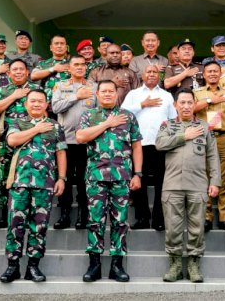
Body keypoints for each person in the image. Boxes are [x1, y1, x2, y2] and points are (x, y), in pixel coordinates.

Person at [76, 80, 143, 283]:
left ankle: (117, 265)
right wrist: (107, 123)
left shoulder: (128, 117)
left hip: (122, 177)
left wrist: (137, 174)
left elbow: (137, 146)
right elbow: (80, 137)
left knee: (120, 222)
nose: (107, 94)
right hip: (96, 177)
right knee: (95, 220)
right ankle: (94, 264)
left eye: (110, 91)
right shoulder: (89, 115)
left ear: (117, 94)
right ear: (97, 93)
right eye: (103, 91)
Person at [0, 89, 67, 283]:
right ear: (26, 104)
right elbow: (12, 140)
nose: (36, 104)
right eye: (33, 101)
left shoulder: (55, 126)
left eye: (40, 101)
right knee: (15, 224)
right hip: (20, 182)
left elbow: (61, 152)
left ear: (47, 104)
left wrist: (61, 178)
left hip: (45, 184)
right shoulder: (16, 122)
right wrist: (36, 129)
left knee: (39, 226)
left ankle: (33, 267)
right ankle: (12, 267)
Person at [156, 89, 220, 282]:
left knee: (197, 227)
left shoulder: (205, 127)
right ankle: (175, 264)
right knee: (173, 228)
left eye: (189, 102)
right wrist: (185, 135)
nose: (185, 106)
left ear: (195, 104)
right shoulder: (167, 125)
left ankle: (193, 263)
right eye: (181, 103)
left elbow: (213, 156)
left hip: (198, 184)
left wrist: (215, 181)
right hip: (172, 185)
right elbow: (160, 144)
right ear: (175, 105)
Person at [122, 64, 177, 231]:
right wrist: (142, 104)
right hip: (139, 145)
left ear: (159, 76)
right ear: (142, 76)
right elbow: (122, 113)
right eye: (149, 72)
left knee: (162, 183)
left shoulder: (167, 95)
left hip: (161, 145)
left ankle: (159, 219)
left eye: (155, 72)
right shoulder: (133, 94)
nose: (152, 74)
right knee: (139, 182)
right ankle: (142, 218)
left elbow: (173, 120)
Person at [0, 58, 40, 229]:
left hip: (32, 142)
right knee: (5, 179)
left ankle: (29, 216)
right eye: (14, 69)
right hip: (7, 142)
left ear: (27, 72)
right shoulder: (2, 90)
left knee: (30, 178)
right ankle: (5, 214)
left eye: (21, 69)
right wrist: (14, 96)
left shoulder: (36, 89)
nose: (18, 72)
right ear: (9, 73)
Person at [51, 55, 98, 230]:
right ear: (69, 68)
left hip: (87, 141)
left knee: (84, 179)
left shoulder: (94, 87)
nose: (79, 67)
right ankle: (64, 214)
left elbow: (99, 112)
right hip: (65, 140)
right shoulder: (61, 86)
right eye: (75, 65)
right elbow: (55, 108)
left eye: (82, 65)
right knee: (65, 177)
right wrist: (76, 96)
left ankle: (83, 214)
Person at [193, 61, 225, 233]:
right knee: (203, 176)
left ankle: (224, 218)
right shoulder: (197, 93)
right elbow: (190, 110)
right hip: (204, 137)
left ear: (220, 74)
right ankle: (206, 217)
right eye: (209, 71)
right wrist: (209, 100)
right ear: (203, 75)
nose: (212, 74)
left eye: (215, 71)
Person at [30, 35, 70, 100]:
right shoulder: (43, 63)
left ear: (66, 47)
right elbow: (33, 76)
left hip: (66, 102)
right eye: (56, 43)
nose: (59, 46)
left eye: (62, 43)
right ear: (51, 47)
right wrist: (53, 69)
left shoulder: (72, 64)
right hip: (47, 102)